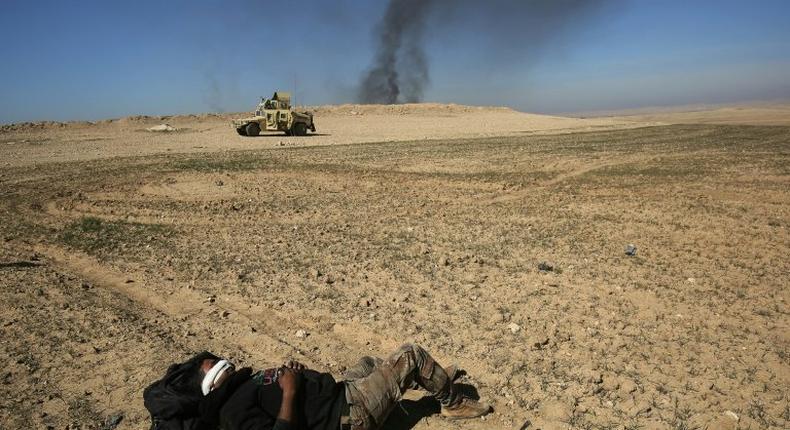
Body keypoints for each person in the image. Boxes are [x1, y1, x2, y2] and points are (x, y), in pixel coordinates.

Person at [144, 343, 491, 430]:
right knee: (410, 354)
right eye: (211, 365)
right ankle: (450, 401)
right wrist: (292, 389)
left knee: (370, 362)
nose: (218, 361)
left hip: (336, 393)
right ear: (208, 385)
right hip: (346, 413)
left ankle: (425, 378)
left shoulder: (238, 390)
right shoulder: (231, 413)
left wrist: (295, 374)